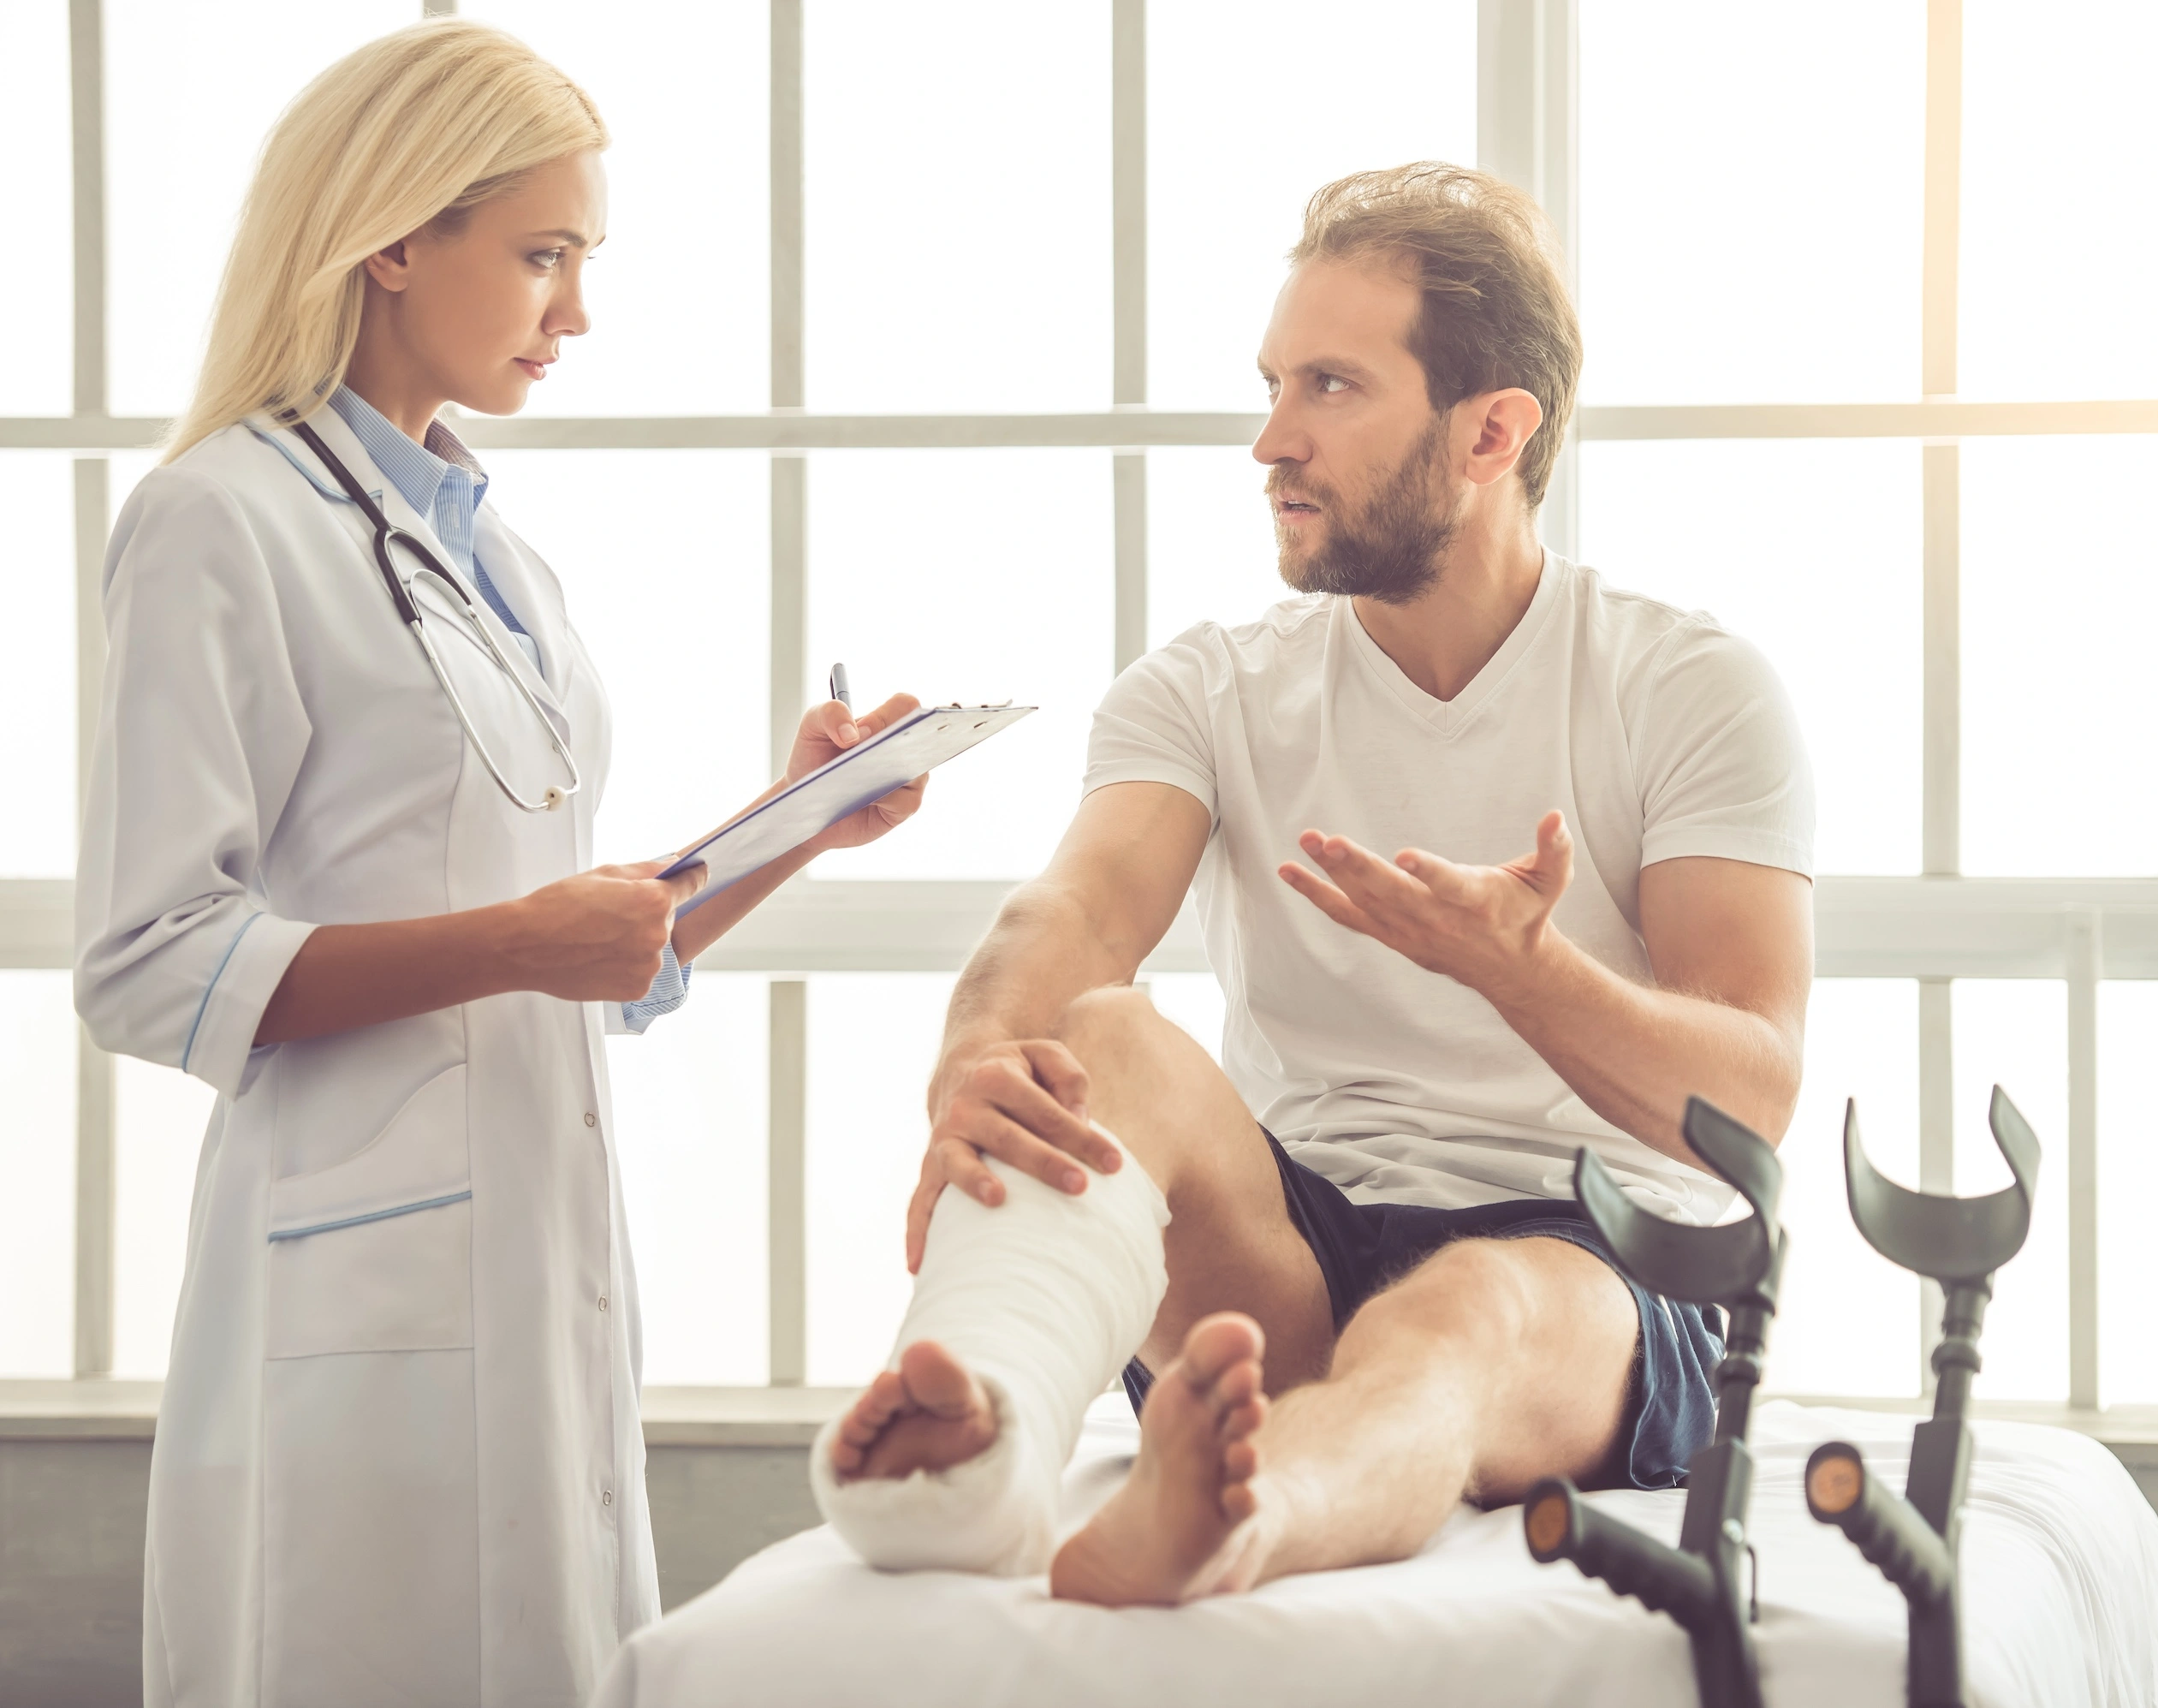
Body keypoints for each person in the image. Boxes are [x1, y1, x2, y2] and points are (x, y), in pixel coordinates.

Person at [806, 163, 1815, 1605]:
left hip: (1588, 1258)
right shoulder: (1211, 688)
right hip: (1298, 1251)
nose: (1272, 439)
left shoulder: (1687, 686)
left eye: (1331, 387)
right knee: (1092, 1035)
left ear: (1492, 430)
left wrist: (1527, 975)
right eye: (1275, 383)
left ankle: (1242, 1516)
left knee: (1469, 1304)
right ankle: (981, 1425)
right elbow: (1077, 914)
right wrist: (978, 1063)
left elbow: (1752, 1100)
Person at [74, 21, 924, 1705]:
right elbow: (151, 956)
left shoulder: (499, 554)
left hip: (536, 1257)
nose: (576, 311)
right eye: (544, 256)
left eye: (583, 261)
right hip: (352, 1287)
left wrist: (791, 822)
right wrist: (520, 944)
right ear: (394, 236)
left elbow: (580, 942)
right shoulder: (217, 519)